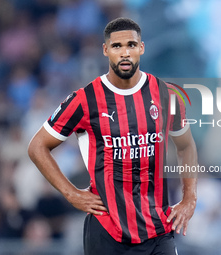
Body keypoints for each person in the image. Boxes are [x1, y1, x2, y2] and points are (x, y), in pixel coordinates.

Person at [28, 17, 197, 255]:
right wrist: (71, 193)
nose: (125, 52)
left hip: (158, 229)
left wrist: (190, 197)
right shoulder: (84, 99)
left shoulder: (166, 94)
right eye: (117, 46)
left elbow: (186, 146)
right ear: (106, 50)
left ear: (141, 48)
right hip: (107, 231)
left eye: (131, 45)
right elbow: (37, 147)